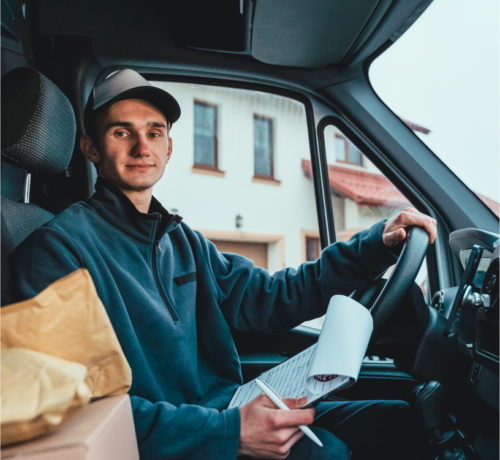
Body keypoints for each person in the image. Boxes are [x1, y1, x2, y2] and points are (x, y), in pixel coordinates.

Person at [14, 69, 437, 459]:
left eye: (154, 132)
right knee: (327, 452)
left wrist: (373, 246)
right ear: (90, 148)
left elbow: (274, 296)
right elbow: (80, 409)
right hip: (179, 442)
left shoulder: (180, 240)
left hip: (227, 412)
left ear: (169, 147)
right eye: (122, 132)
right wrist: (228, 433)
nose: (142, 147)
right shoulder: (57, 252)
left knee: (398, 421)